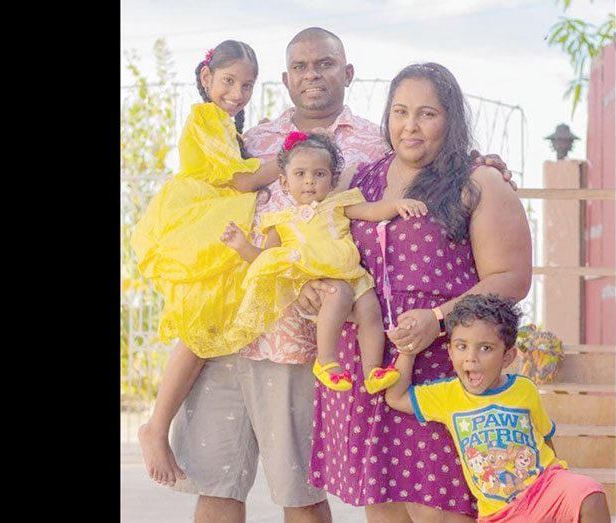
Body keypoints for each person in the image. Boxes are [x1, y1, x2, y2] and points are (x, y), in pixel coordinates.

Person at [167, 27, 514, 523]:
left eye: (325, 64)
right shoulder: (257, 138)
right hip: (245, 329)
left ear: (347, 72)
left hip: (319, 345)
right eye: (302, 67)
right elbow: (208, 190)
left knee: (307, 494)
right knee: (222, 488)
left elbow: (424, 165)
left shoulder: (377, 145)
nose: (313, 75)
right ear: (286, 78)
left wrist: (480, 161)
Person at [302, 62, 532, 523]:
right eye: (400, 111)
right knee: (382, 502)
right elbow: (321, 241)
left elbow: (511, 278)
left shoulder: (478, 181)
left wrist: (439, 318)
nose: (410, 125)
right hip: (370, 365)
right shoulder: (359, 180)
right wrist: (312, 284)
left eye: (427, 114)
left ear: (451, 119)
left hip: (442, 366)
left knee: (442, 506)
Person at [131, 39, 281, 487]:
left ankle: (157, 425)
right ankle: (155, 427)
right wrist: (293, 153)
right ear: (206, 78)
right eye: (229, 81)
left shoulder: (227, 125)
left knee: (209, 324)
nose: (237, 93)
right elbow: (241, 179)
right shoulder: (204, 118)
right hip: (200, 218)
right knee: (197, 330)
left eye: (248, 85)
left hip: (215, 218)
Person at [221, 130, 426, 393]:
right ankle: (327, 361)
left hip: (351, 272)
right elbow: (267, 260)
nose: (309, 181)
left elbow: (372, 210)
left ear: (332, 180)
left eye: (319, 174)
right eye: (300, 174)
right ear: (284, 182)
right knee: (338, 293)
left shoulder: (339, 204)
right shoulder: (281, 222)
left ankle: (373, 370)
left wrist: (397, 204)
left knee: (370, 311)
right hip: (318, 279)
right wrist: (242, 246)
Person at [385, 294, 611, 523]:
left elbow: (544, 437)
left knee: (590, 492)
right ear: (451, 352)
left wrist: (561, 487)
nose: (471, 358)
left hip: (543, 489)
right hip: (499, 514)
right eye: (462, 346)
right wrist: (408, 350)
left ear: (507, 356)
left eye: (485, 348)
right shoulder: (446, 395)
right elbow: (396, 396)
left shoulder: (524, 389)